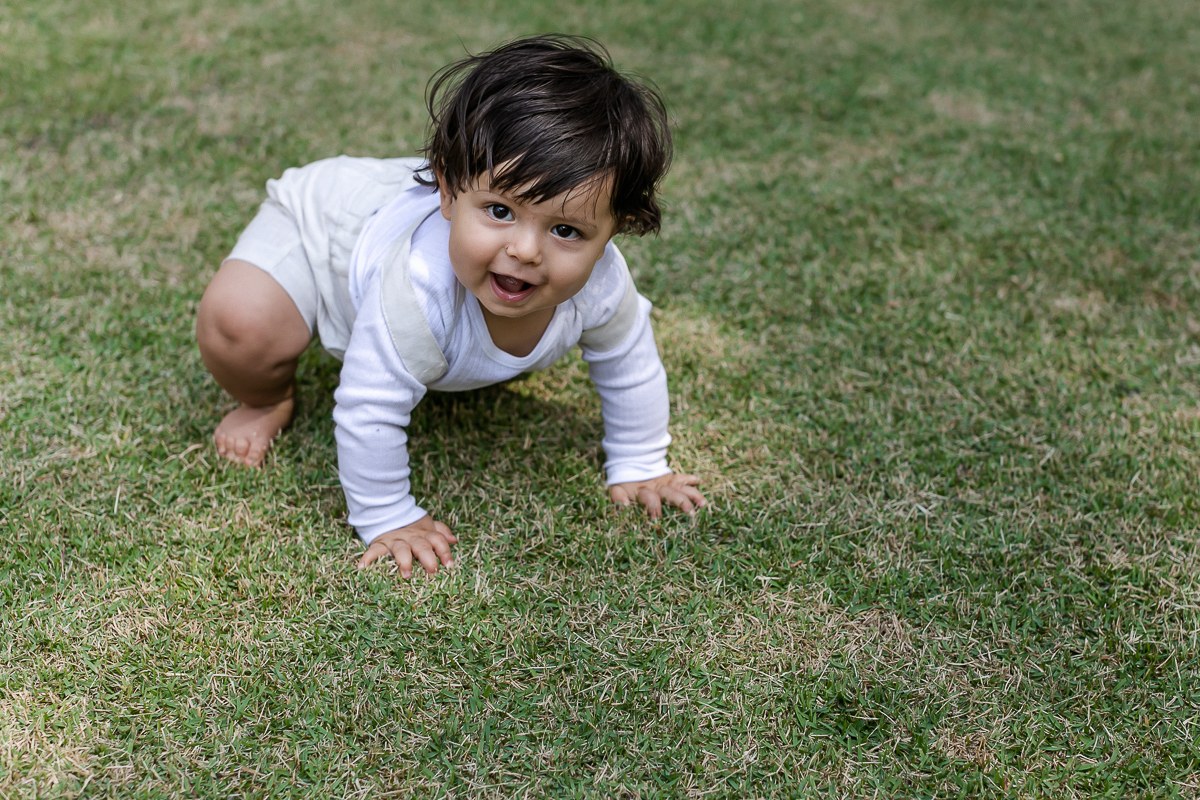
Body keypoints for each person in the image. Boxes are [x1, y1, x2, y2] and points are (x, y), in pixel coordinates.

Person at [195, 35, 707, 578]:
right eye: (500, 211)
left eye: (565, 229)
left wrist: (640, 463)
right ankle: (266, 399)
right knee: (239, 323)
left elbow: (629, 362)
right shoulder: (418, 286)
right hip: (324, 231)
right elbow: (370, 406)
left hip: (415, 219)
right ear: (447, 191)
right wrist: (388, 516)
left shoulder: (601, 283)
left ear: (615, 231)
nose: (526, 250)